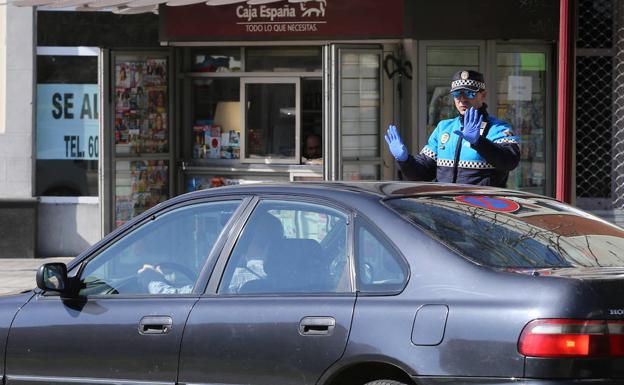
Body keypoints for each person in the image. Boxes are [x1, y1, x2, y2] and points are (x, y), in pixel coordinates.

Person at [385, 70, 520, 187]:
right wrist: (404, 160)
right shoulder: (444, 127)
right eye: (457, 94)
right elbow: (423, 174)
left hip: (483, 209)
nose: (462, 99)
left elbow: (510, 161)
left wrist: (480, 142)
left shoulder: (498, 128)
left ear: (483, 95)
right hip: (448, 209)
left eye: (469, 93)